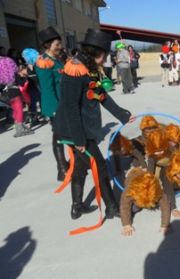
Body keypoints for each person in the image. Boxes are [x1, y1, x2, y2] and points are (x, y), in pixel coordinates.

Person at [54, 29, 133, 219]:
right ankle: (112, 207)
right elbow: (70, 107)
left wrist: (122, 115)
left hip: (80, 129)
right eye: (104, 55)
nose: (105, 59)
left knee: (81, 168)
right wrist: (79, 139)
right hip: (76, 131)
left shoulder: (88, 68)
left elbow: (101, 96)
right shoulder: (75, 70)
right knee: (101, 166)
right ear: (96, 52)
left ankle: (77, 206)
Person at [35, 26, 68, 181]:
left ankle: (66, 164)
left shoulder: (56, 60)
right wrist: (55, 109)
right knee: (58, 135)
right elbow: (47, 89)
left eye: (60, 44)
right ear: (48, 45)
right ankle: (61, 168)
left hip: (63, 102)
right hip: (55, 106)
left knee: (63, 134)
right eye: (57, 44)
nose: (60, 47)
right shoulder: (44, 62)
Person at [120, 168, 171, 236]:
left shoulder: (157, 190)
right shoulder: (129, 190)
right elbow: (124, 206)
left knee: (162, 201)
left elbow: (165, 206)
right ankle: (139, 204)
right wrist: (126, 224)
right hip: (133, 175)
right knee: (134, 209)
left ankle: (148, 202)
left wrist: (165, 225)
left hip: (148, 179)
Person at [0, 56, 34, 137]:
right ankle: (20, 130)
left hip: (8, 93)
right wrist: (25, 78)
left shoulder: (3, 78)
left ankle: (19, 128)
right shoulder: (14, 74)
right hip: (15, 92)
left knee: (15, 111)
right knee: (19, 111)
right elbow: (21, 83)